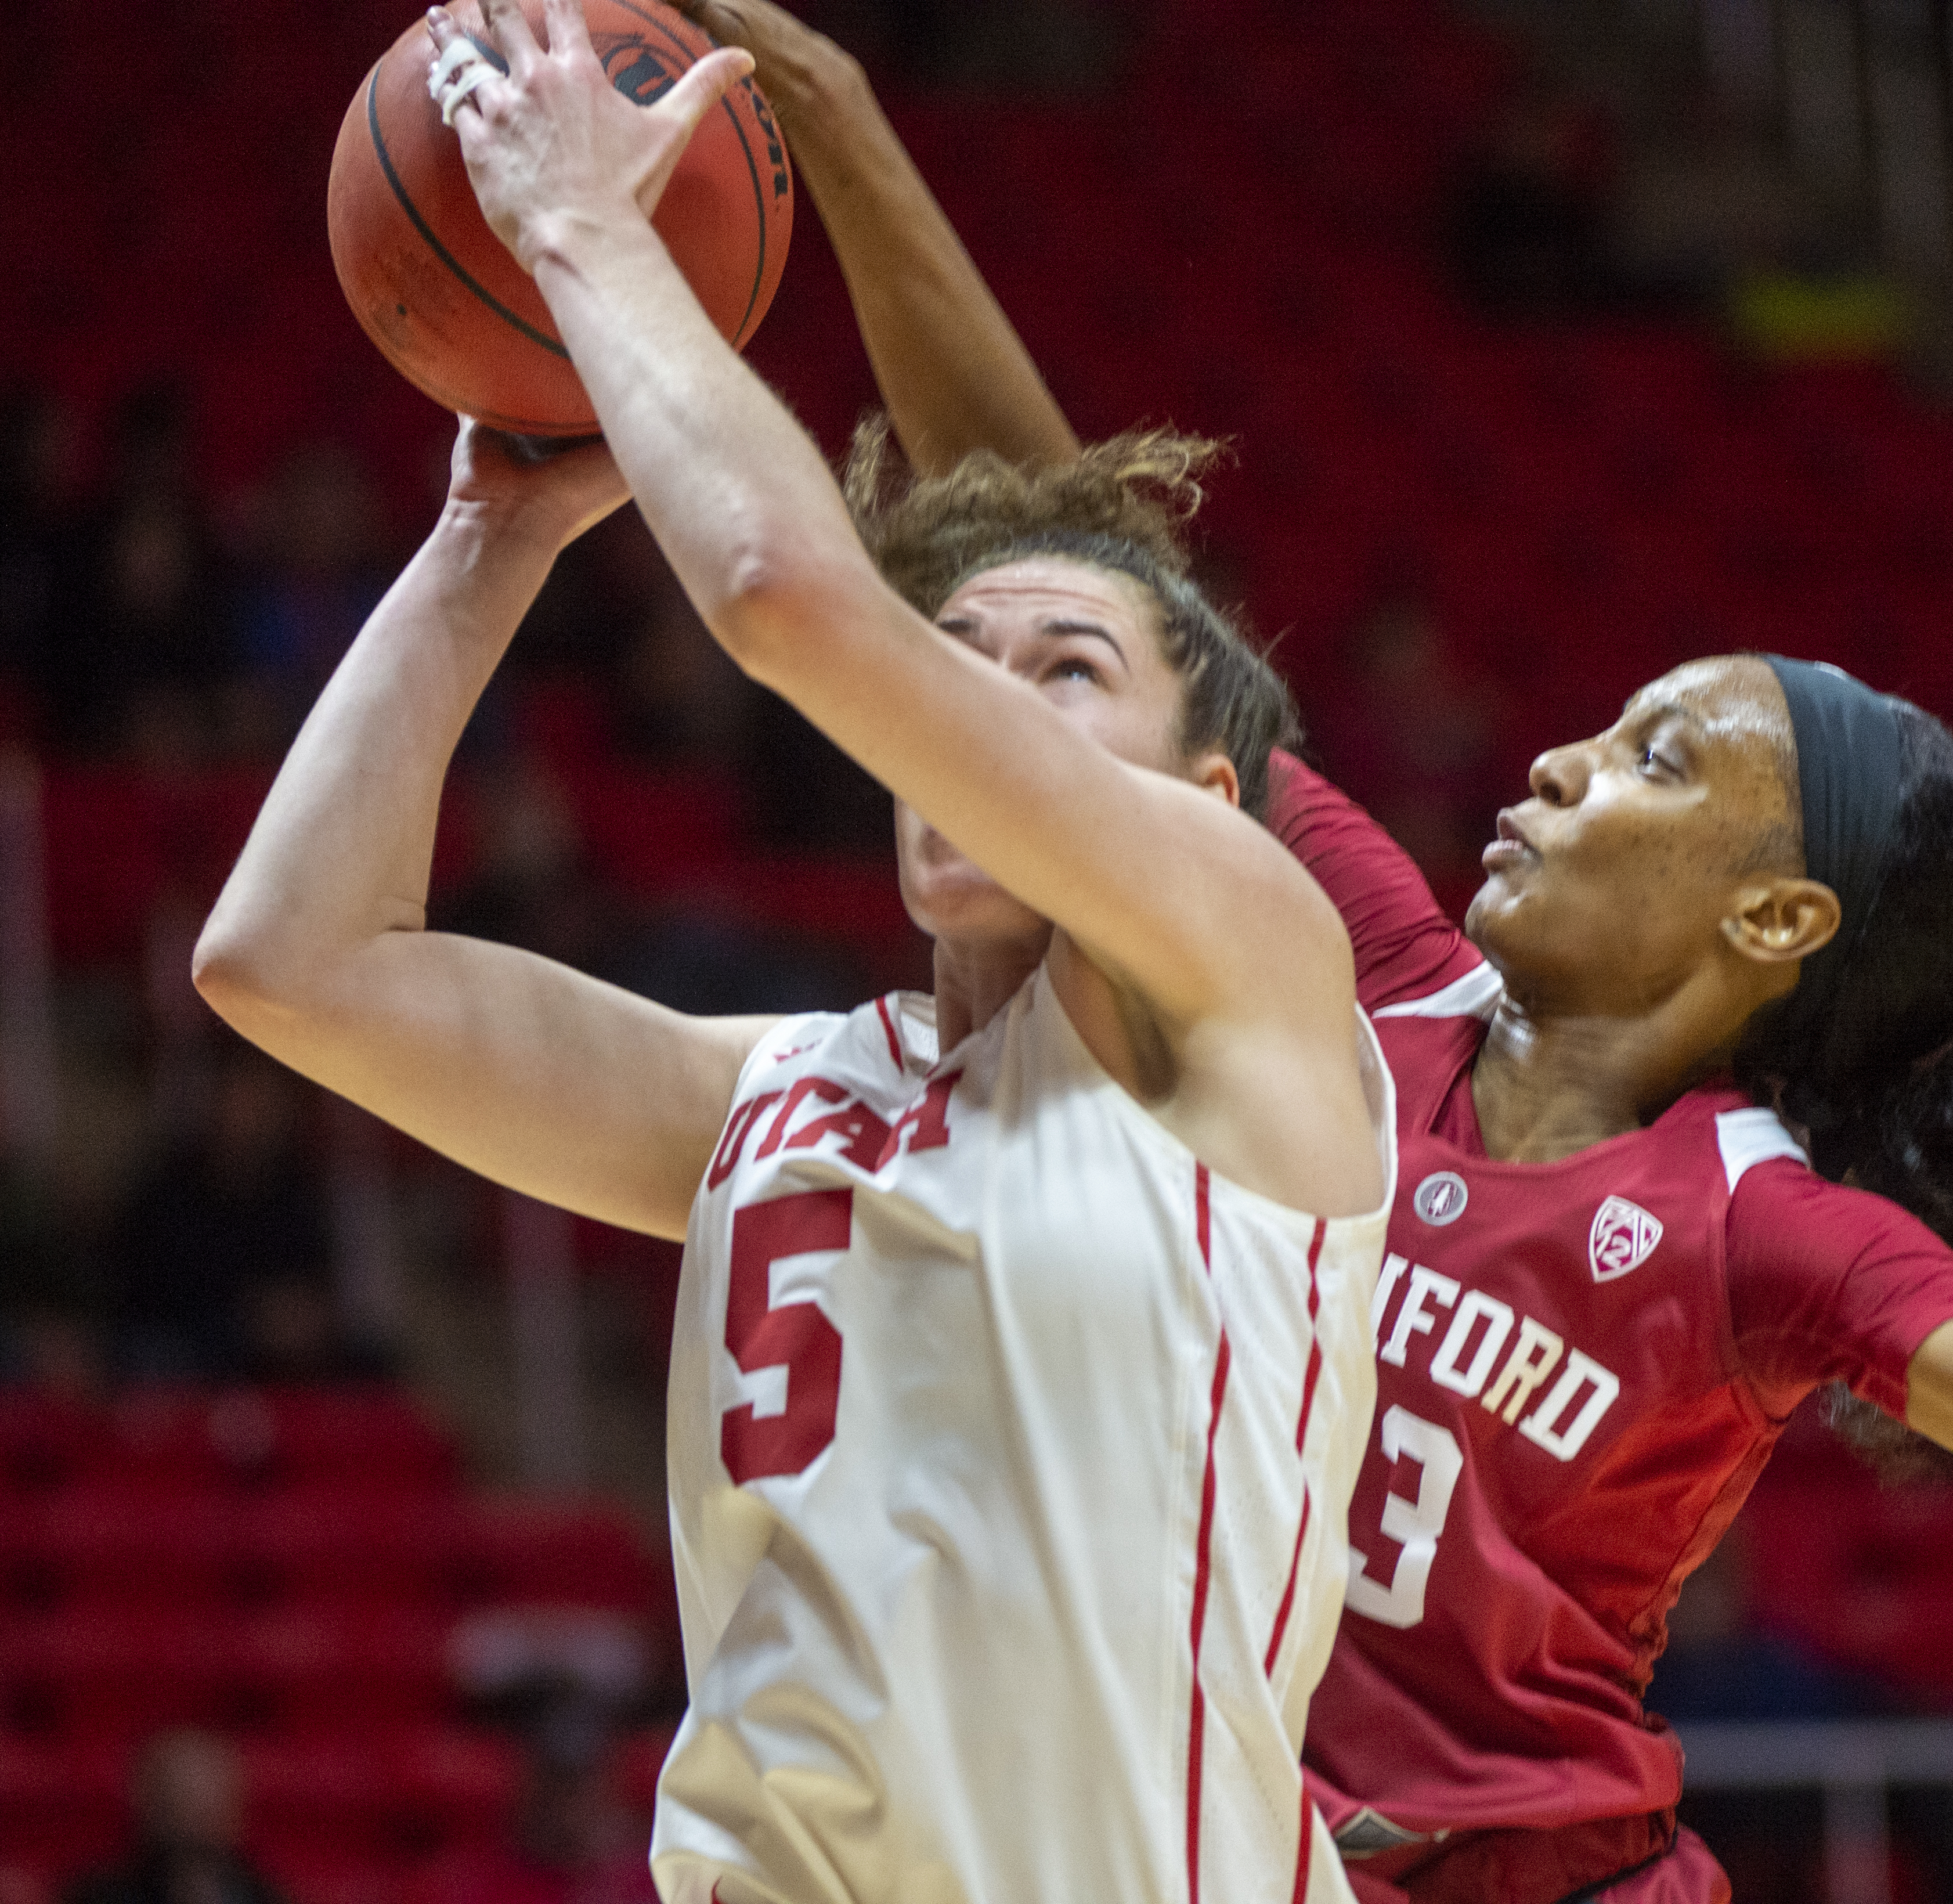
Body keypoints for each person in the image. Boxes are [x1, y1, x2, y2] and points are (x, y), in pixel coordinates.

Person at [662, 9, 1953, 1899]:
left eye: (1653, 761)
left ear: (1772, 920)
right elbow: (1092, 574)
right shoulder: (1358, 974)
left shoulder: (1751, 1221)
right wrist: (852, 136)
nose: (1558, 760)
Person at [194, 3, 1394, 1897]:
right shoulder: (784, 1097)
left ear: (1210, 796)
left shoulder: (1252, 972)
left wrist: (585, 229)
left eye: (1060, 670)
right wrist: (487, 528)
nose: (963, 707)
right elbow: (292, 963)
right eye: (951, 662)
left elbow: (778, 591)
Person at [64, 1729, 288, 1904]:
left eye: (207, 1792)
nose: (193, 1812)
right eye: (177, 1793)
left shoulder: (264, 1896)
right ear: (145, 1802)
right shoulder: (101, 1896)